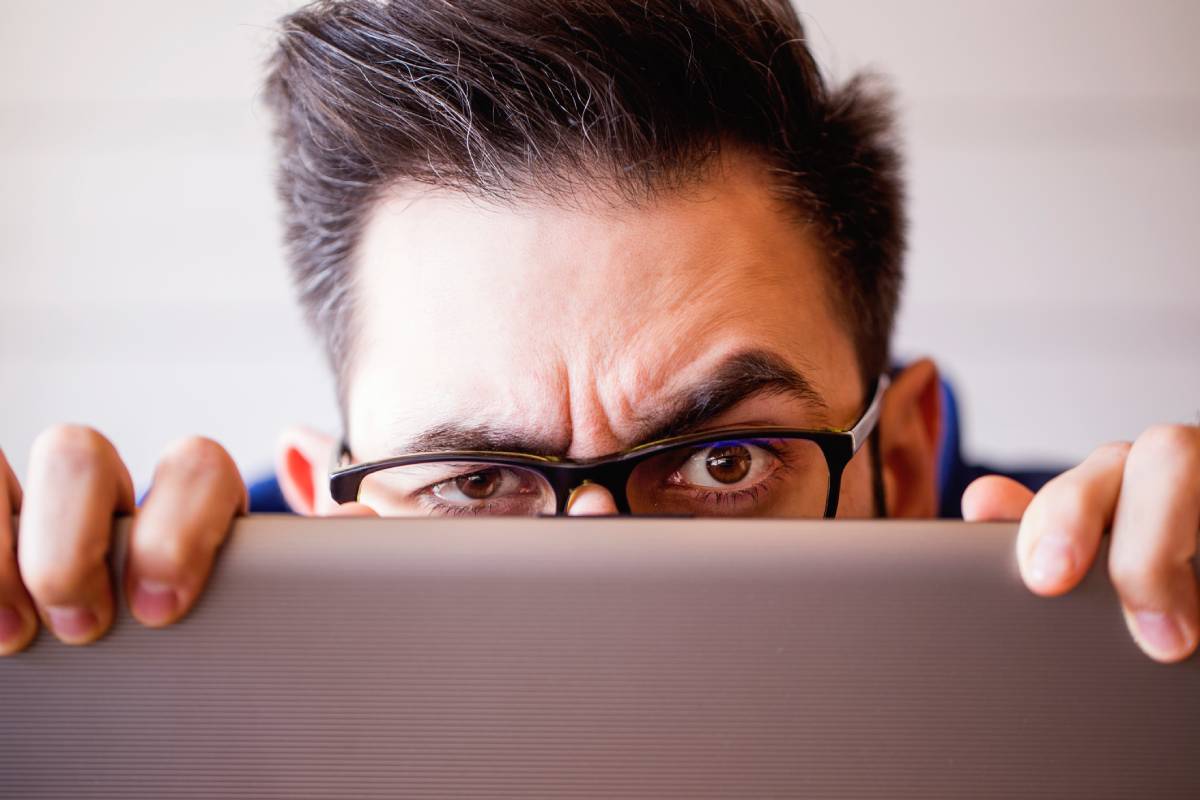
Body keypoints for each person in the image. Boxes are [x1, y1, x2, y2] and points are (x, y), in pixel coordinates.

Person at [0, 0, 1195, 664]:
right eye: (474, 481)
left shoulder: (1136, 629)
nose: (604, 606)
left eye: (726, 460)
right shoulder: (158, 660)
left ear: (900, 458)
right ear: (316, 502)